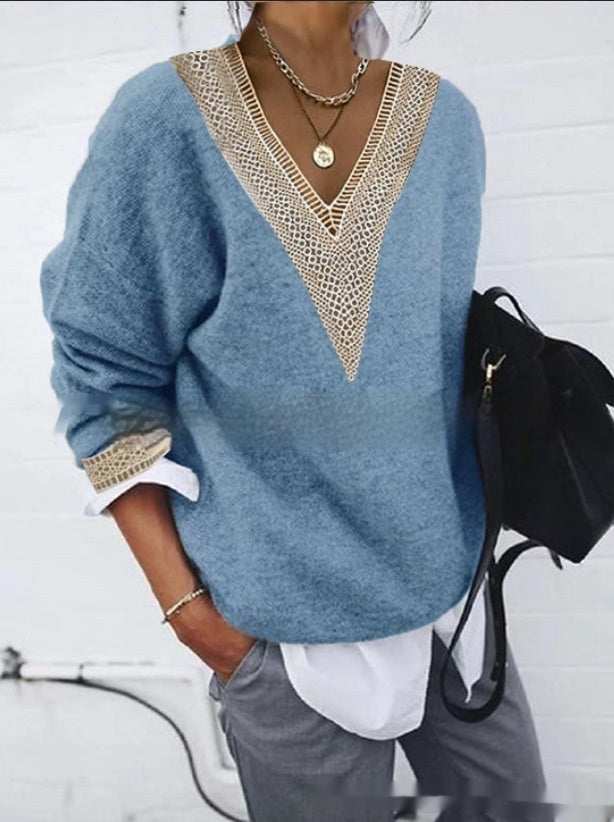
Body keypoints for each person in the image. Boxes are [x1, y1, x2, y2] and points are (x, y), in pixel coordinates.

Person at [40, 2, 557, 820]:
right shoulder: (165, 121)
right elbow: (103, 376)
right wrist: (194, 618)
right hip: (280, 636)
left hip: (452, 607)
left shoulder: (446, 124)